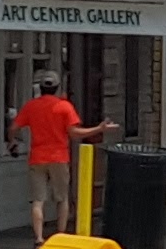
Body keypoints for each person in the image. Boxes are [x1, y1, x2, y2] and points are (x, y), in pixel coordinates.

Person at [17, 69, 112, 236]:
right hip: (59, 157)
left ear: (40, 87)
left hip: (37, 158)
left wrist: (12, 142)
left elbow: (14, 127)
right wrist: (99, 128)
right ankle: (60, 235)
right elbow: (74, 133)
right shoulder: (64, 107)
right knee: (62, 199)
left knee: (38, 201)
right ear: (57, 87)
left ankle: (38, 238)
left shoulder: (31, 106)